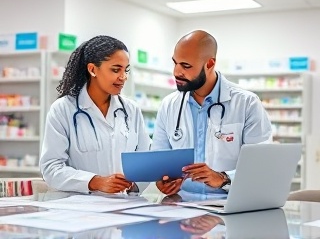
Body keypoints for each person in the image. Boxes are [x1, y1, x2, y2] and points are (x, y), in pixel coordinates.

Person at [151, 30, 272, 196]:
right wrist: (162, 180)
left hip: (228, 206)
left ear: (209, 64)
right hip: (181, 207)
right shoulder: (169, 105)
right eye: (175, 63)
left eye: (186, 66)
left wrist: (223, 178)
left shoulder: (246, 103)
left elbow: (262, 164)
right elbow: (159, 159)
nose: (176, 72)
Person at [40, 35, 151, 194]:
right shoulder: (63, 109)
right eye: (115, 69)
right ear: (92, 69)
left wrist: (134, 185)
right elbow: (51, 168)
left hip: (123, 206)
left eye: (125, 70)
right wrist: (95, 182)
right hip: (80, 209)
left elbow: (144, 160)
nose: (123, 77)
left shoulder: (131, 110)